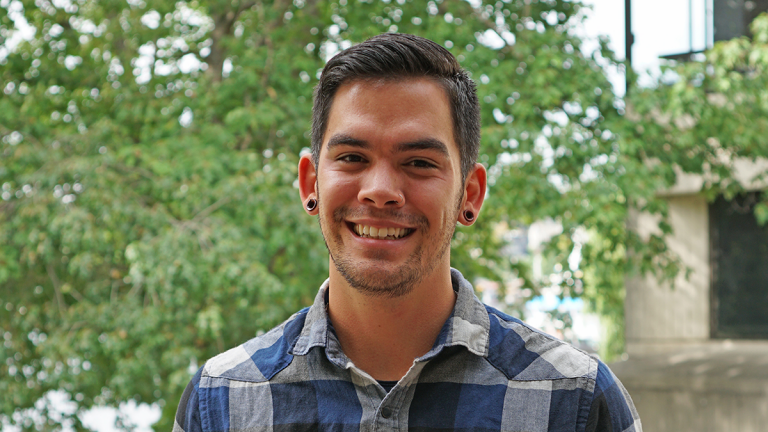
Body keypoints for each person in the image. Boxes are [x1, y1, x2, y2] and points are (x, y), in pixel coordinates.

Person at [173, 33, 642, 432]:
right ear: (310, 182)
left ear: (470, 194)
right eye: (353, 158)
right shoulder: (223, 402)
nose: (380, 191)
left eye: (418, 163)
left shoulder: (574, 402)